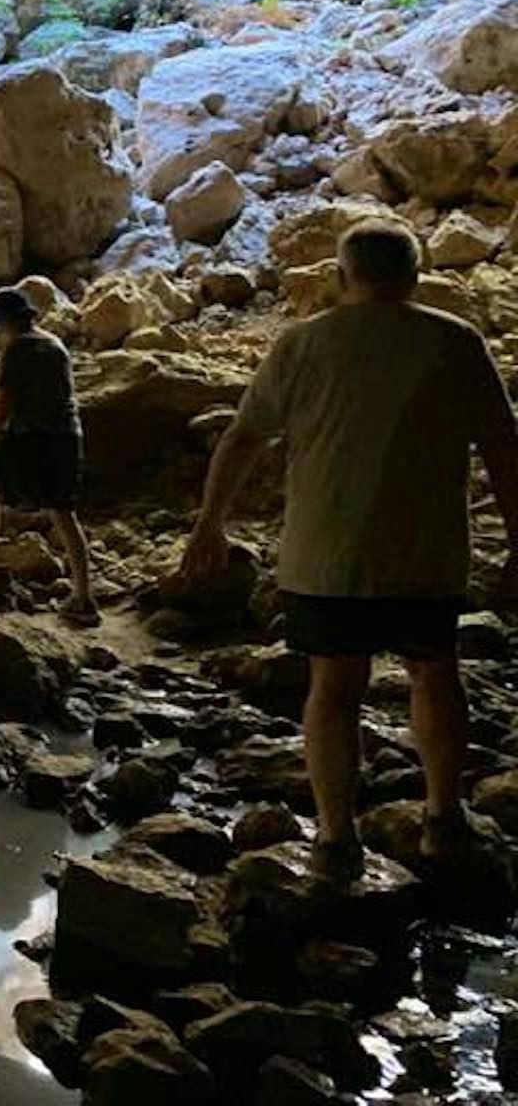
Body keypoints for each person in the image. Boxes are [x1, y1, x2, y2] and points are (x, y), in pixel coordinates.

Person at [180, 221, 518, 883]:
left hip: (325, 551)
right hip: (425, 553)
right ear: (417, 277)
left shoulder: (304, 343)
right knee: (434, 671)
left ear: (341, 277)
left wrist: (209, 524)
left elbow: (243, 438)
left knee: (334, 688)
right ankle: (444, 818)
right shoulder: (455, 342)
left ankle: (336, 839)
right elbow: (504, 450)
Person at [0, 288, 97, 624]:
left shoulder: (16, 349)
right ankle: (84, 595)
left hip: (30, 435)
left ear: (0, 323)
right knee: (64, 514)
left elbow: (5, 404)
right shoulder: (55, 344)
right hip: (68, 436)